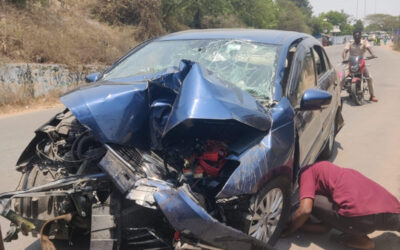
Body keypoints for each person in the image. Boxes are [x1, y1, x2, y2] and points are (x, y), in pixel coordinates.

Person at [281, 161, 400, 249]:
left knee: (312, 201)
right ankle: (358, 230)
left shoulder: (306, 172)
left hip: (360, 217)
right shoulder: (329, 169)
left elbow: (305, 210)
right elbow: (324, 228)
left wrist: (291, 229)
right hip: (393, 209)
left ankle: (362, 241)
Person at [342, 31, 378, 102]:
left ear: (361, 36)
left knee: (369, 78)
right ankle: (337, 97)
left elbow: (369, 48)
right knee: (341, 77)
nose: (357, 37)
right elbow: (345, 51)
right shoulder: (350, 42)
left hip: (361, 62)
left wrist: (372, 54)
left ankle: (372, 96)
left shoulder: (364, 42)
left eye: (358, 36)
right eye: (355, 36)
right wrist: (344, 58)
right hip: (351, 62)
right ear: (353, 37)